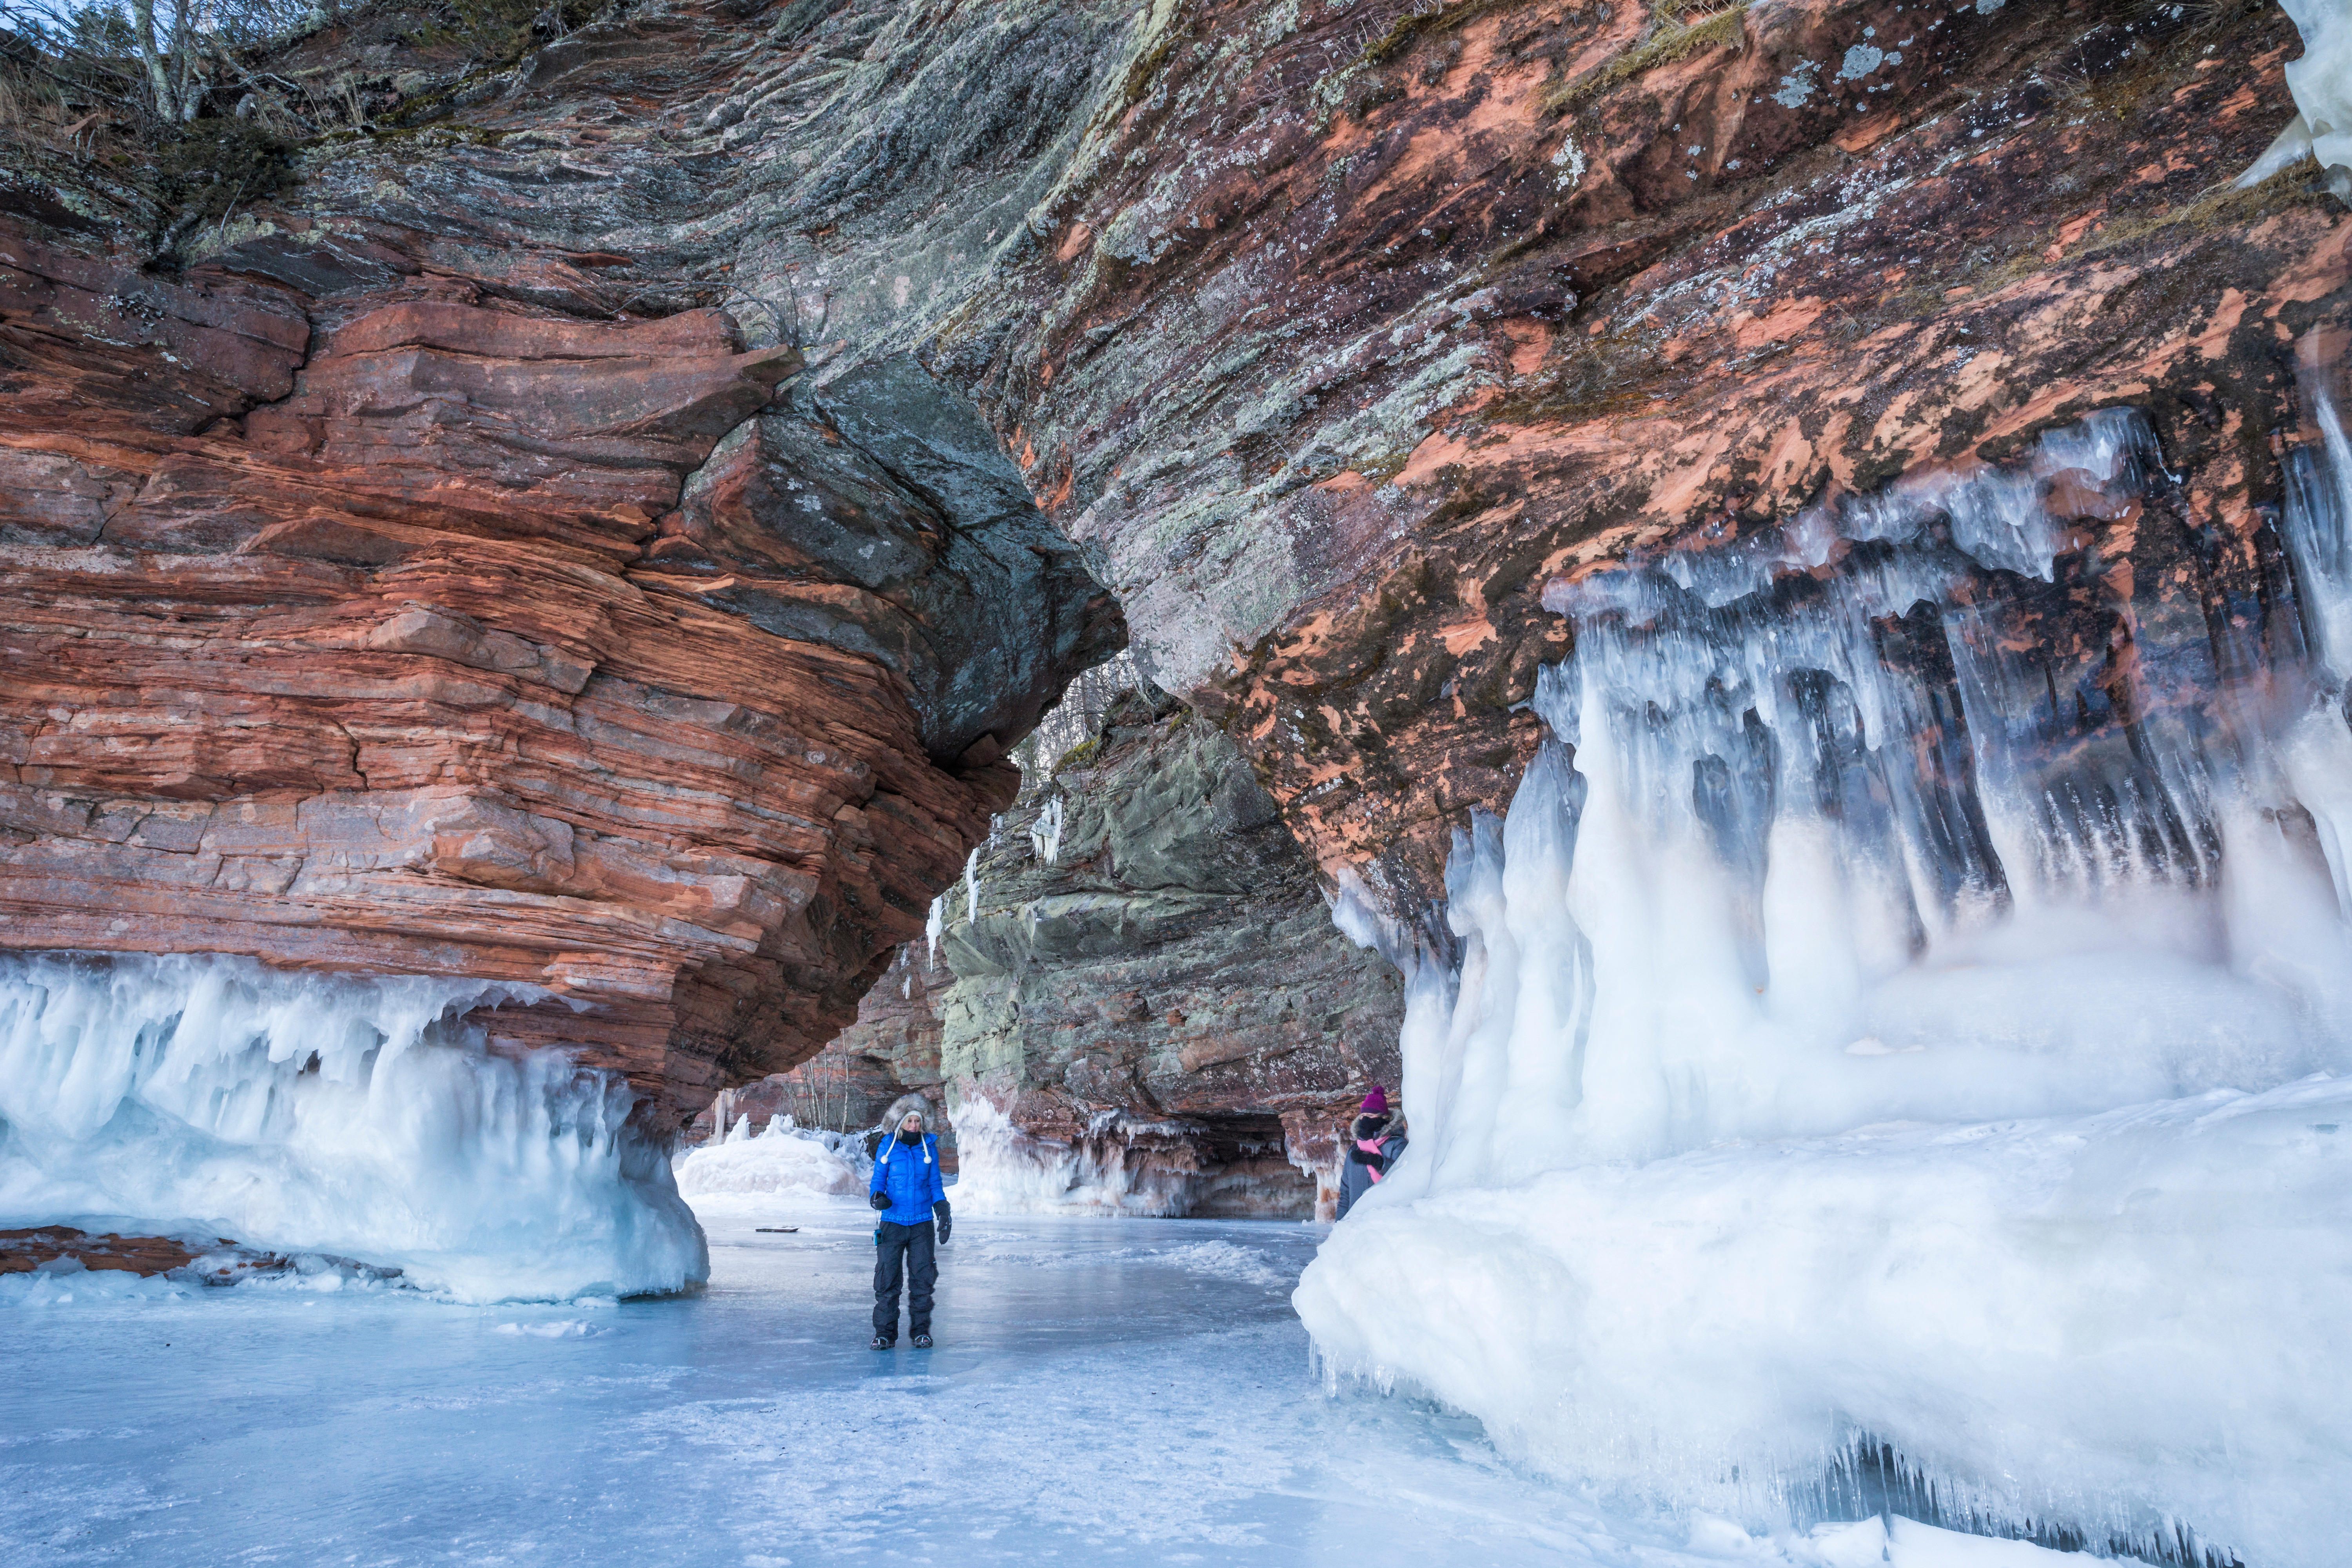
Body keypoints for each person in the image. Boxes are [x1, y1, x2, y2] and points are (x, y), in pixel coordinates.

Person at [868, 1103, 950, 1348]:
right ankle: (884, 1334)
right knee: (887, 1281)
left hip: (921, 1223)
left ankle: (921, 1332)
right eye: (910, 1121)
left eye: (918, 1121)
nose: (915, 1126)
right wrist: (877, 1198)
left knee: (923, 1281)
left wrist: (943, 1209)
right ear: (900, 1123)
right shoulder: (888, 1145)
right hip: (893, 1222)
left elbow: (935, 1183)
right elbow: (878, 1181)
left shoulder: (929, 1147)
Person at [1335, 1085, 1406, 1221]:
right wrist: (1338, 1227)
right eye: (1363, 1116)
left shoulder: (1397, 1144)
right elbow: (1345, 1194)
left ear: (1384, 1118)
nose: (1365, 1120)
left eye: (1370, 1116)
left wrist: (1378, 1162)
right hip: (1355, 1223)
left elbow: (1404, 1181)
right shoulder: (1354, 1150)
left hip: (1385, 1222)